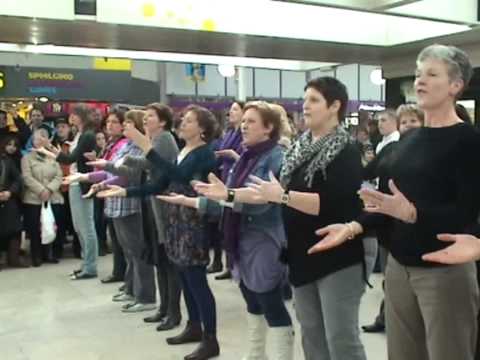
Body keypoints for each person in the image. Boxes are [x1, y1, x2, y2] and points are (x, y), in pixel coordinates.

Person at [309, 44, 480, 360]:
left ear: (456, 85)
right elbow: (387, 203)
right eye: (418, 74)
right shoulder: (408, 142)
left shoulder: (468, 141)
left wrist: (415, 213)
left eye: (431, 74)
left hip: (443, 269)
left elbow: (469, 210)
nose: (420, 81)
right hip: (399, 266)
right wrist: (353, 226)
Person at [246, 77, 367, 360]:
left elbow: (331, 204)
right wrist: (225, 194)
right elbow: (268, 192)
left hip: (337, 255)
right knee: (312, 336)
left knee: (341, 339)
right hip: (301, 253)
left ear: (335, 106)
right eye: (305, 100)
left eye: (314, 100)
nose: (305, 106)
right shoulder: (300, 148)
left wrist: (284, 197)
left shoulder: (345, 149)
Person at [172, 101, 294, 360]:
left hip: (264, 240)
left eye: (251, 121)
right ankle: (255, 354)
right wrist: (192, 201)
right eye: (243, 120)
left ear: (268, 127)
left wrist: (226, 195)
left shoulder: (276, 156)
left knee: (270, 303)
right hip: (239, 241)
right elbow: (225, 202)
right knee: (252, 302)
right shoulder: (245, 157)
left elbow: (262, 202)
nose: (243, 125)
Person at [105, 105, 219, 360]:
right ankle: (194, 326)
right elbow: (160, 183)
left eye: (189, 121)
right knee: (186, 279)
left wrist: (147, 148)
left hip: (193, 220)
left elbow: (179, 175)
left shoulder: (204, 153)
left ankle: (211, 338)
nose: (183, 123)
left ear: (202, 129)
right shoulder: (185, 151)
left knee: (197, 281)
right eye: (183, 119)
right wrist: (125, 192)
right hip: (176, 219)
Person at [100, 103, 182, 330]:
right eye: (144, 116)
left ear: (163, 121)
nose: (146, 120)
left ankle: (171, 311)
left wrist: (126, 157)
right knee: (158, 258)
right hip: (152, 202)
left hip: (163, 204)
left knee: (166, 260)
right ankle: (164, 308)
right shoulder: (154, 139)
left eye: (151, 116)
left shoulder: (164, 139)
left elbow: (151, 163)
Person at [68, 110, 157, 313]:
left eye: (126, 123)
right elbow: (110, 170)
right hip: (116, 202)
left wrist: (100, 184)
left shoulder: (140, 147)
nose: (122, 127)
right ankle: (132, 289)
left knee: (138, 252)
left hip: (130, 204)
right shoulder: (124, 145)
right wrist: (85, 177)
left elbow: (127, 175)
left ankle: (146, 296)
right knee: (128, 251)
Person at [36, 104, 99, 280]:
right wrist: (52, 149)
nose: (71, 118)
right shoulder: (79, 134)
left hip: (81, 183)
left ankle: (90, 266)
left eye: (74, 115)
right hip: (73, 182)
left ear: (81, 116)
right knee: (79, 227)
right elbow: (69, 157)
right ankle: (86, 264)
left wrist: (49, 151)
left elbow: (71, 158)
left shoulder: (87, 135)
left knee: (86, 227)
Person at [209, 100, 245, 279]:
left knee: (232, 224)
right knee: (223, 224)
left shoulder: (243, 135)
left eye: (235, 109)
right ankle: (228, 264)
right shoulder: (230, 133)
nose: (231, 113)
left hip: (237, 182)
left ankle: (234, 264)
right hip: (225, 178)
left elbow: (244, 160)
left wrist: (231, 155)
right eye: (230, 110)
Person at [21, 127, 64, 267]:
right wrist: (41, 190)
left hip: (53, 197)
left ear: (48, 140)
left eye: (42, 138)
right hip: (33, 198)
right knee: (35, 228)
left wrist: (50, 189)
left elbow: (59, 175)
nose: (39, 141)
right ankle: (36, 255)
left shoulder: (53, 156)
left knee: (51, 225)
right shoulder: (27, 158)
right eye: (36, 138)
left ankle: (49, 254)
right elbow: (27, 177)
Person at [0, 135, 26, 269]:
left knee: (15, 227)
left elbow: (18, 179)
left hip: (8, 197)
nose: (11, 147)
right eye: (9, 144)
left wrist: (10, 192)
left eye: (14, 145)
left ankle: (14, 258)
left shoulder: (7, 160)